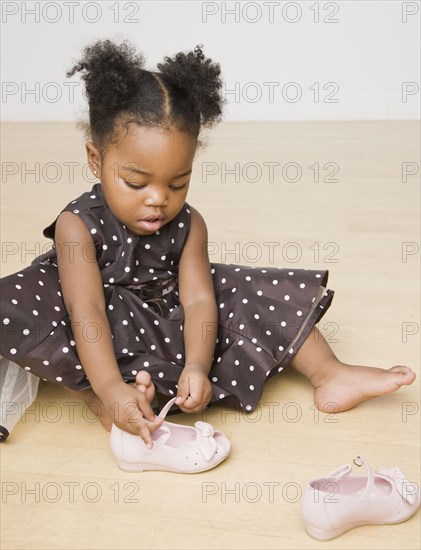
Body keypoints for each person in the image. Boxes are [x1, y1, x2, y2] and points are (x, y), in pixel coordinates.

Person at [0, 39, 415, 448]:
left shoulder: (189, 224)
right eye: (135, 182)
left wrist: (197, 367)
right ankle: (102, 396)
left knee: (243, 288)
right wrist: (108, 387)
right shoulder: (77, 225)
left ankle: (330, 372)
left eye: (177, 182)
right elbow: (84, 308)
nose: (159, 198)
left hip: (162, 315)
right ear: (96, 159)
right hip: (92, 321)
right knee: (17, 309)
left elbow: (199, 301)